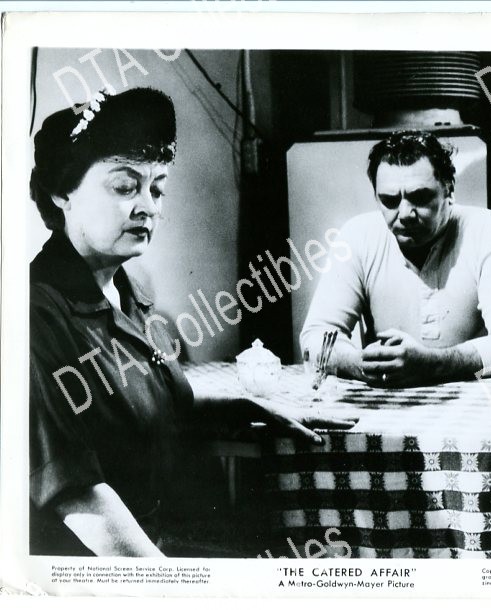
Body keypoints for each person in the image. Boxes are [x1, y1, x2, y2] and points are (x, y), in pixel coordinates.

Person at [29, 87, 356, 557]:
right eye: (125, 187)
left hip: (163, 543)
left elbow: (162, 407)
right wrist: (173, 584)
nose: (149, 207)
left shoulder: (129, 296)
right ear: (62, 192)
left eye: (157, 187)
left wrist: (251, 409)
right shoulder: (35, 316)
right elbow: (79, 496)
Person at [300, 131, 491, 387]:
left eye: (420, 197)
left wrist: (432, 364)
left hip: (477, 404)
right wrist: (361, 364)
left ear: (449, 189)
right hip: (390, 404)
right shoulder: (357, 235)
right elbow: (314, 337)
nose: (404, 214)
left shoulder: (487, 230)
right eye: (389, 201)